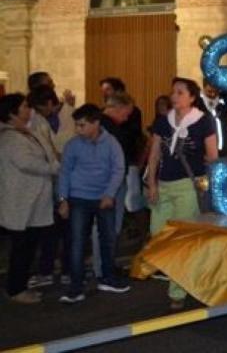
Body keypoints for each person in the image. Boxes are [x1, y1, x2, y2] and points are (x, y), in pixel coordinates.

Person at [145, 77, 218, 310]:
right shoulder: (162, 122)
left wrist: (209, 174)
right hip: (164, 184)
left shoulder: (203, 121)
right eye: (173, 92)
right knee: (157, 233)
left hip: (188, 184)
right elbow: (154, 153)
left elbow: (213, 155)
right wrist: (153, 183)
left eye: (179, 92)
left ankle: (177, 291)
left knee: (181, 238)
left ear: (192, 97)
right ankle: (187, 275)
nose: (174, 96)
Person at [58, 104, 130, 303]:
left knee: (107, 239)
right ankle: (76, 286)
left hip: (103, 198)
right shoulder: (73, 145)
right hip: (79, 197)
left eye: (82, 125)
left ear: (96, 123)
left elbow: (118, 169)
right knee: (77, 242)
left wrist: (109, 194)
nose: (78, 129)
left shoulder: (111, 143)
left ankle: (107, 277)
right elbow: (65, 172)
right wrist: (63, 199)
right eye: (77, 125)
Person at [0, 93, 60, 304]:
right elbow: (27, 163)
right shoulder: (9, 138)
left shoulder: (26, 132)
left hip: (33, 201)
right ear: (12, 113)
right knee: (22, 247)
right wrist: (54, 168)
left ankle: (20, 285)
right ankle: (16, 288)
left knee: (28, 245)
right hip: (21, 202)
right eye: (24, 106)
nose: (29, 110)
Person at [26, 87, 70, 290]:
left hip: (53, 179)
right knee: (52, 229)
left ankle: (52, 268)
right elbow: (49, 151)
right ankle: (52, 268)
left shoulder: (39, 122)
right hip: (51, 178)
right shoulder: (38, 122)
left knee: (54, 228)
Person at [97, 92, 145, 273]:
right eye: (127, 112)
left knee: (109, 226)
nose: (127, 117)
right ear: (118, 107)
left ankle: (106, 265)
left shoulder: (102, 125)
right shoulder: (108, 129)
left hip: (108, 182)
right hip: (110, 183)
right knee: (110, 226)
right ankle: (106, 268)